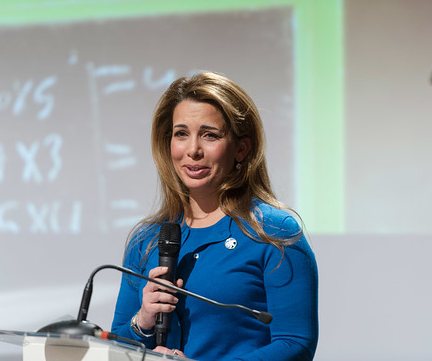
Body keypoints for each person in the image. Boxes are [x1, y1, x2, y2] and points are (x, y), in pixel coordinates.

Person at [111, 72, 318, 360]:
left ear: (241, 149)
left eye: (210, 135)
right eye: (181, 134)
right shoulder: (146, 239)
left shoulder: (273, 232)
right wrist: (142, 321)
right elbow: (116, 348)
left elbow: (296, 344)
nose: (193, 150)